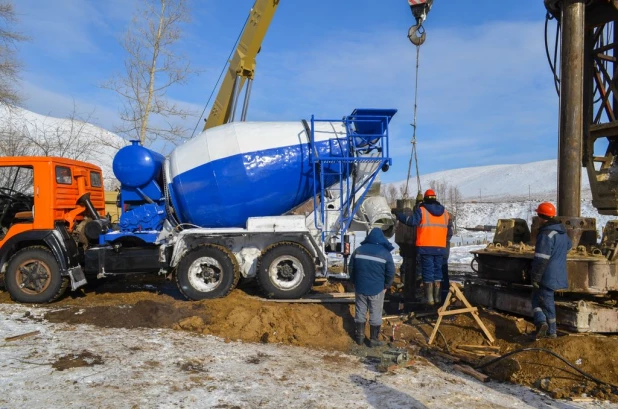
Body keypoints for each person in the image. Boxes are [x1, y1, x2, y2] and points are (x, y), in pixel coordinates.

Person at [395, 189, 451, 307]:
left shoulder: (422, 210)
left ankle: (429, 298)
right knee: (437, 271)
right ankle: (437, 298)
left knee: (427, 271)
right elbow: (449, 230)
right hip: (440, 246)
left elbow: (412, 221)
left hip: (426, 246)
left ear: (425, 199)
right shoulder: (445, 212)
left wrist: (399, 215)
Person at [530, 201, 572, 340]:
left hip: (547, 275)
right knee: (537, 297)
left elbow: (541, 258)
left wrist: (535, 277)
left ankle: (550, 330)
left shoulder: (545, 235)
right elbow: (568, 247)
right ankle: (542, 324)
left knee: (545, 301)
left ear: (541, 216)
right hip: (559, 273)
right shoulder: (562, 233)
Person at [349, 227, 395, 347]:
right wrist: (386, 285)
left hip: (360, 287)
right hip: (377, 288)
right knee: (375, 313)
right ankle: (373, 339)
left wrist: (353, 281)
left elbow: (351, 268)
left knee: (360, 310)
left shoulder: (358, 250)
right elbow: (390, 272)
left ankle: (359, 337)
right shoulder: (385, 253)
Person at [439, 211, 454, 305]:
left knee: (440, 272)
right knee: (443, 273)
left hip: (438, 248)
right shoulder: (446, 217)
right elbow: (449, 234)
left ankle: (442, 298)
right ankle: (443, 297)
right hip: (443, 248)